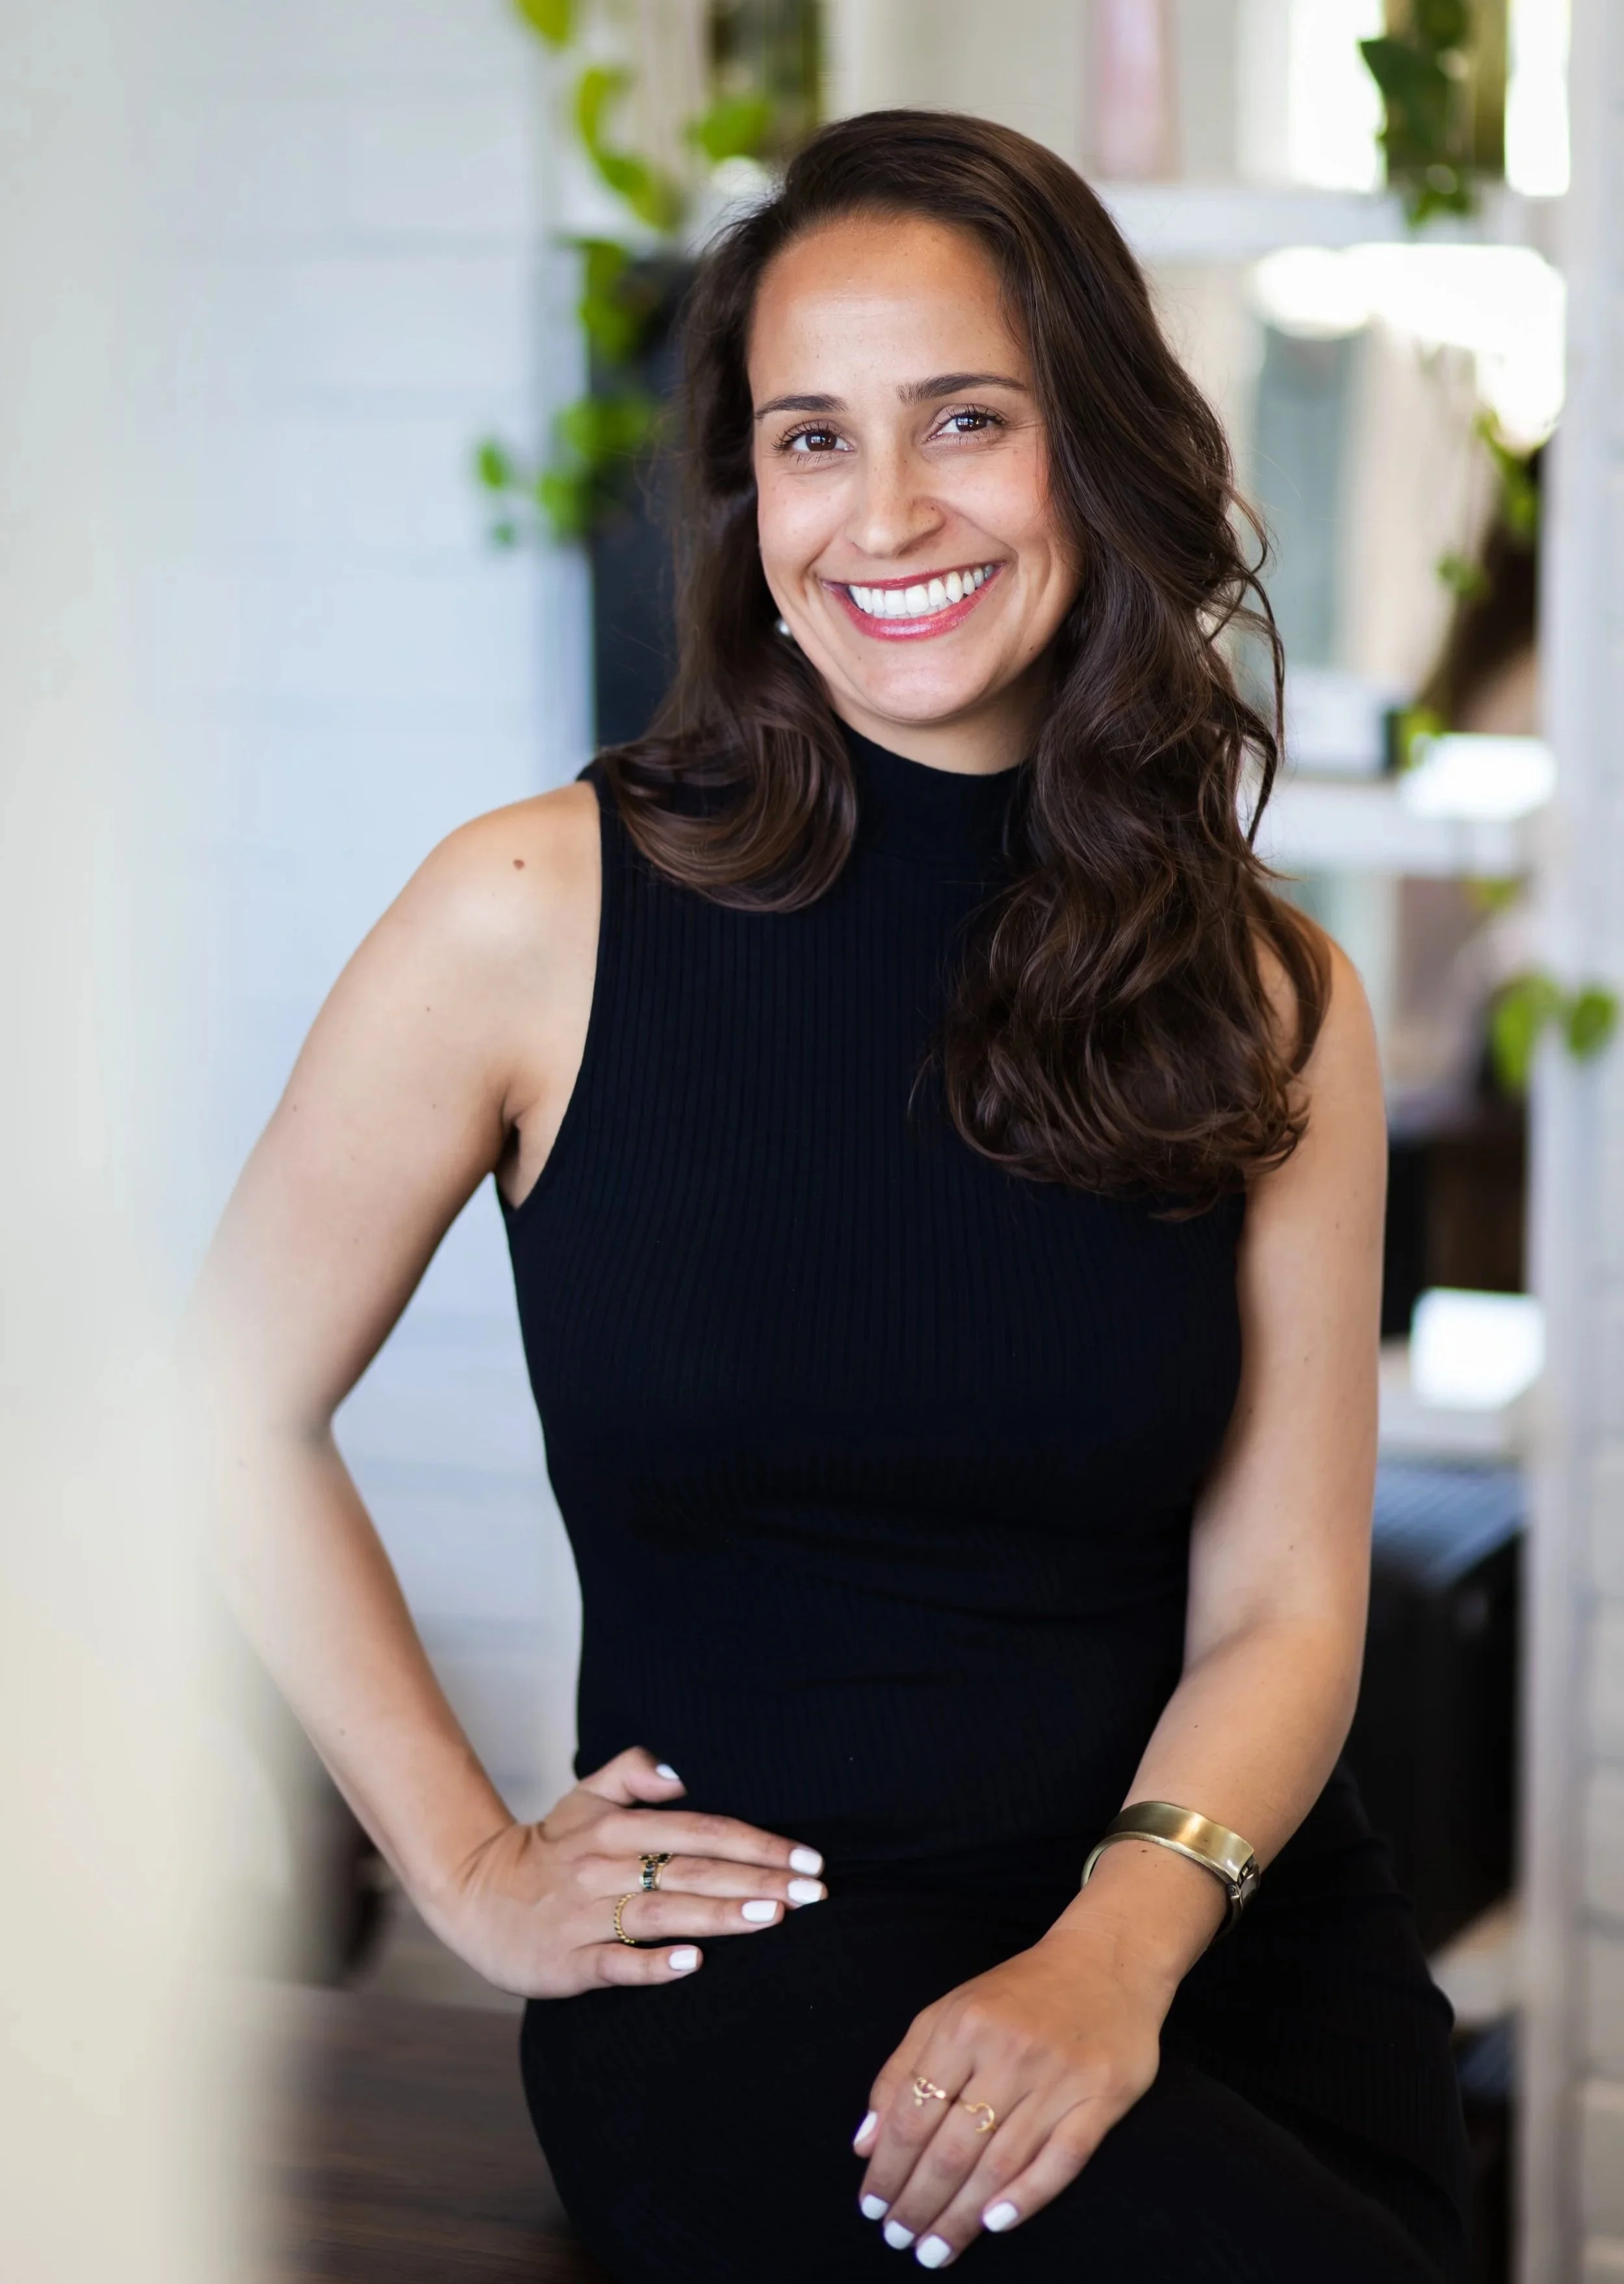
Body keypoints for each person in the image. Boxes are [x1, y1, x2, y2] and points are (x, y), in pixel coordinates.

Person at [199, 110, 1471, 2281]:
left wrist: (1112, 1956)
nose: (885, 513)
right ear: (747, 492)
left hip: (1203, 1947)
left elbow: (1286, 1614)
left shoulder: (1271, 995)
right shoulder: (536, 909)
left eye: (965, 420)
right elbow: (215, 1407)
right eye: (812, 438)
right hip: (756, 1990)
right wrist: (466, 1864)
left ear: (1099, 445)